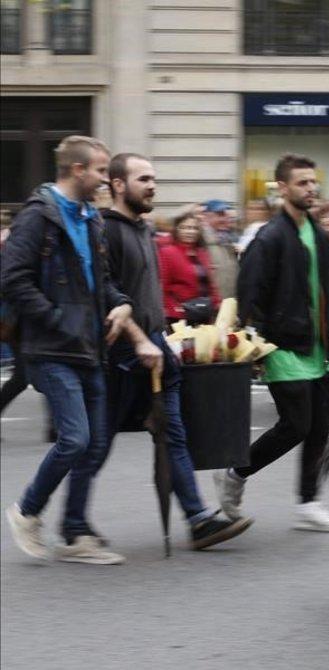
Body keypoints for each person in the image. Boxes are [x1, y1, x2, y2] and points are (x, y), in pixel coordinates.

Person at [2, 135, 163, 564]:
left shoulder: (90, 218)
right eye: (98, 171)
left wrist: (121, 304)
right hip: (50, 347)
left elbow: (103, 281)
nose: (104, 179)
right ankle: (27, 510)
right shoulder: (39, 217)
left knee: (94, 444)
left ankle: (75, 534)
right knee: (75, 439)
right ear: (78, 171)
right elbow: (13, 279)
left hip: (90, 346)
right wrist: (57, 319)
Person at [102, 153, 253, 549]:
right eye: (143, 178)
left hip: (156, 349)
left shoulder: (144, 230)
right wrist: (137, 338)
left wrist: (161, 338)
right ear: (118, 184)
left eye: (154, 178)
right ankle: (66, 522)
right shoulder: (109, 231)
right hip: (122, 355)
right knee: (92, 442)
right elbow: (108, 293)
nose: (153, 185)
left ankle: (198, 518)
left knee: (173, 434)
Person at [212, 154, 329, 531]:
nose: (311, 188)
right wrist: (248, 338)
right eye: (302, 183)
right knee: (296, 425)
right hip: (283, 345)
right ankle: (236, 473)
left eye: (313, 182)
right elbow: (249, 287)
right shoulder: (269, 236)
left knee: (320, 426)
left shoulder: (317, 233)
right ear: (283, 188)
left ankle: (308, 504)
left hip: (320, 346)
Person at [158, 211, 221, 324]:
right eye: (185, 227)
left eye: (194, 228)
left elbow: (211, 284)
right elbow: (163, 287)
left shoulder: (202, 253)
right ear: (177, 230)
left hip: (204, 313)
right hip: (180, 317)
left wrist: (218, 305)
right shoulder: (167, 252)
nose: (190, 231)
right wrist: (175, 310)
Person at [200, 199, 239, 301]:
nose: (225, 219)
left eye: (225, 215)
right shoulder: (201, 238)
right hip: (211, 302)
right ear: (207, 216)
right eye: (220, 215)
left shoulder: (227, 238)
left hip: (229, 300)